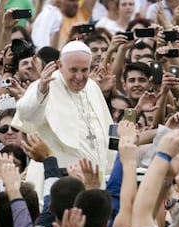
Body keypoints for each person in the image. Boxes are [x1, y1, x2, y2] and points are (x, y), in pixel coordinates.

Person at [12, 40, 114, 195]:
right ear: (60, 65)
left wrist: (110, 171)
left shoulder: (93, 88)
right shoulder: (45, 85)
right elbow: (26, 114)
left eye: (84, 70)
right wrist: (41, 91)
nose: (79, 77)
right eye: (73, 70)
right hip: (58, 184)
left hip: (93, 181)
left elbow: (105, 131)